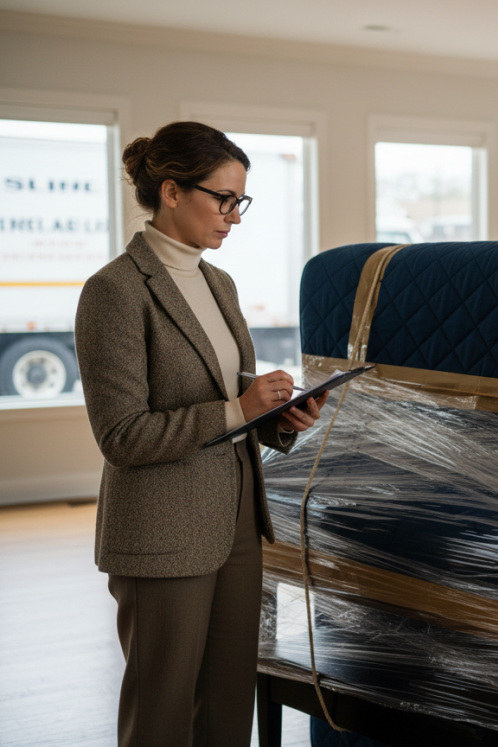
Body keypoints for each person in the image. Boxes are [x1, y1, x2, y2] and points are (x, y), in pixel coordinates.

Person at [75, 121, 328, 747]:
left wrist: (275, 419)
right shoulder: (113, 292)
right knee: (162, 710)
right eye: (223, 199)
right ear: (170, 192)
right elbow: (123, 437)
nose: (233, 217)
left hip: (238, 520)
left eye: (240, 201)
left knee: (227, 701)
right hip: (163, 532)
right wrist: (238, 409)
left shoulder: (220, 284)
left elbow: (229, 406)